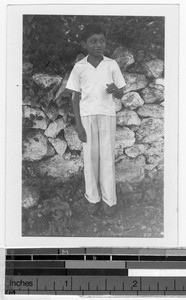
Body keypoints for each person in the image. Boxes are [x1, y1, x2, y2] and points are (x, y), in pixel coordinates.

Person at [66, 24, 126, 216]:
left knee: (107, 158)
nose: (98, 45)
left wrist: (115, 91)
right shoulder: (79, 67)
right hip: (87, 117)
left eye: (101, 41)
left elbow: (121, 92)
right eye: (93, 41)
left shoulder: (111, 64)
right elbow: (75, 97)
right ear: (85, 44)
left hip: (107, 115)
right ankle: (93, 198)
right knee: (90, 159)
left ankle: (110, 200)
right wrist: (78, 125)